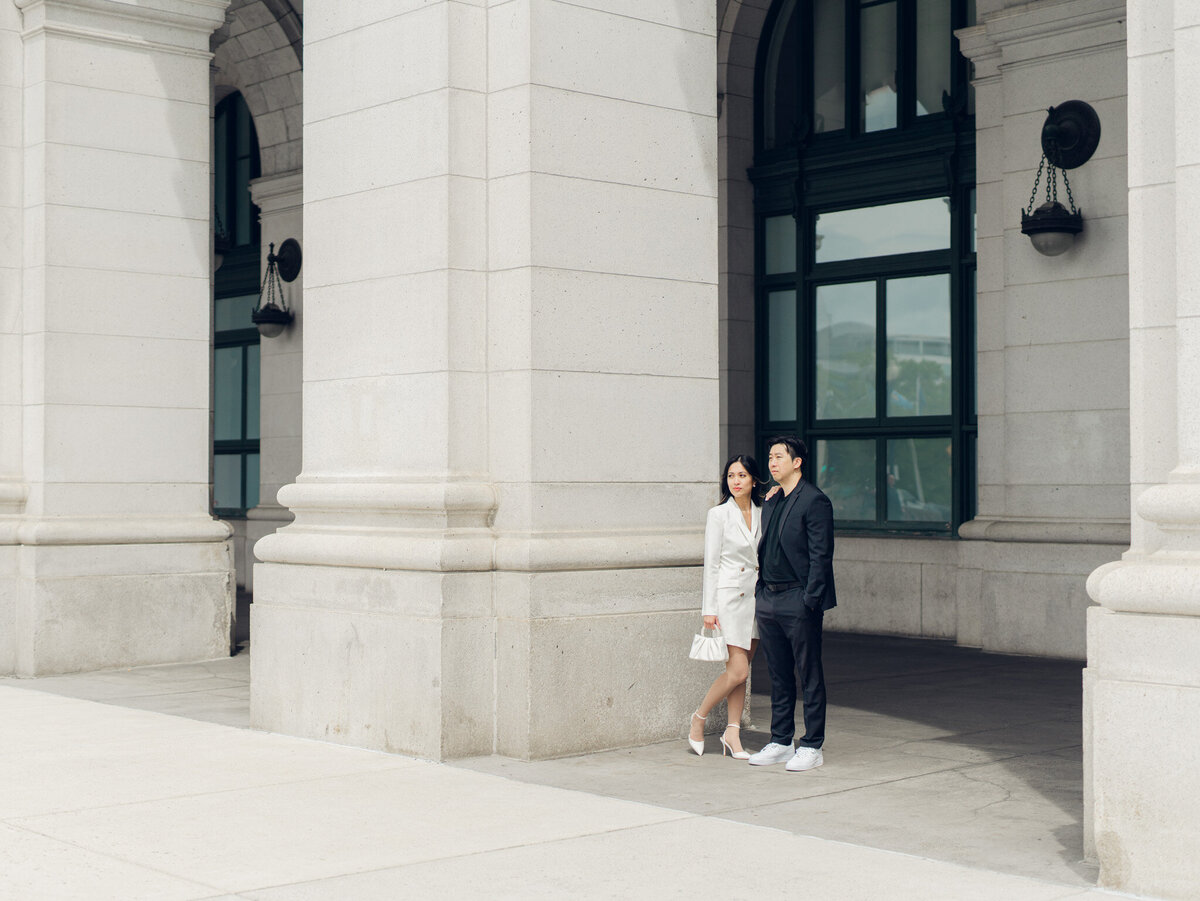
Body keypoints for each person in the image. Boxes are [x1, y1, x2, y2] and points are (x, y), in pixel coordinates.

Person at [748, 436, 837, 772]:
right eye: (769, 457)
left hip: (798, 599)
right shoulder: (772, 500)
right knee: (778, 674)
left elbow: (821, 555)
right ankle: (781, 740)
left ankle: (812, 745)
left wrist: (809, 600)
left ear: (797, 462)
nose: (772, 463)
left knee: (809, 673)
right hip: (768, 597)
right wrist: (761, 594)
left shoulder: (815, 501)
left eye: (779, 457)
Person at [687, 454, 763, 758]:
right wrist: (709, 609)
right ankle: (699, 718)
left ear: (753, 480)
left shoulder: (763, 512)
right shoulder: (718, 515)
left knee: (742, 671)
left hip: (757, 600)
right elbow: (712, 563)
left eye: (742, 476)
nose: (736, 481)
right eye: (731, 476)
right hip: (729, 600)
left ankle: (732, 733)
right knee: (738, 670)